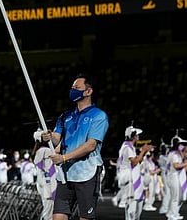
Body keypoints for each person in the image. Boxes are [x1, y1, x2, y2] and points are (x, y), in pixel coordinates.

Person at [41, 73, 109, 220]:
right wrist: (49, 136)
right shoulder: (65, 116)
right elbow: (56, 140)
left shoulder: (99, 115)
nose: (73, 90)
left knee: (85, 217)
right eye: (72, 87)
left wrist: (64, 157)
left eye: (77, 87)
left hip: (87, 173)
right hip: (66, 175)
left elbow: (90, 145)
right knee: (58, 217)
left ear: (88, 91)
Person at [117, 126, 153, 220]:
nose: (138, 136)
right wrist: (143, 151)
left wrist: (143, 152)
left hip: (134, 177)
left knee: (138, 202)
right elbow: (134, 162)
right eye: (137, 135)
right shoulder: (127, 148)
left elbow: (137, 160)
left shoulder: (130, 147)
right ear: (133, 136)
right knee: (132, 204)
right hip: (130, 178)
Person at [166, 136, 187, 220]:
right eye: (181, 144)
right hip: (173, 176)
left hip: (176, 176)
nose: (182, 146)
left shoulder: (175, 153)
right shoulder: (174, 154)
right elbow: (176, 166)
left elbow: (182, 156)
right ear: (177, 144)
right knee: (175, 197)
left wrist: (184, 153)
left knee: (178, 197)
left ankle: (175, 213)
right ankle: (172, 215)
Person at [34, 129, 57, 220]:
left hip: (44, 182)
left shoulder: (41, 150)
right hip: (48, 182)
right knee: (49, 207)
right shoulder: (45, 150)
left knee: (47, 207)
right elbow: (46, 167)